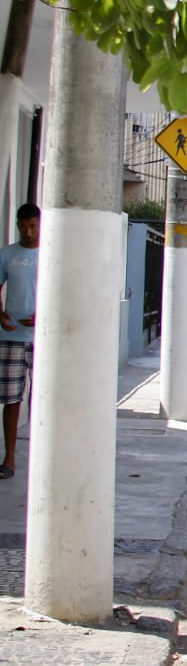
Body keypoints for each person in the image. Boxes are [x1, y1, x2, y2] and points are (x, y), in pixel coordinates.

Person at [0, 203, 39, 480]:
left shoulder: (50, 254)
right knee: (11, 399)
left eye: (33, 226)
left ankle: (41, 457)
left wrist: (42, 315)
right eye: (24, 226)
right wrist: (0, 315)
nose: (29, 232)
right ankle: (9, 459)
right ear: (17, 226)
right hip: (11, 337)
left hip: (43, 339)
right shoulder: (7, 255)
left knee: (42, 398)